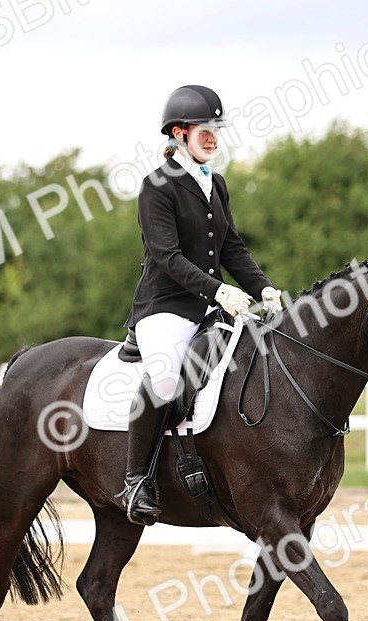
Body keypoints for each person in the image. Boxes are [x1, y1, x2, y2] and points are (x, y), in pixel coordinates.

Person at [120, 84, 285, 526]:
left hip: (209, 307)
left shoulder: (217, 183)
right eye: (204, 130)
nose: (213, 137)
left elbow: (232, 248)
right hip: (164, 306)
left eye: (216, 129)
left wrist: (263, 287)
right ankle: (137, 480)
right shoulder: (157, 187)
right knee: (167, 374)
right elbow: (166, 255)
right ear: (178, 133)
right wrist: (218, 291)